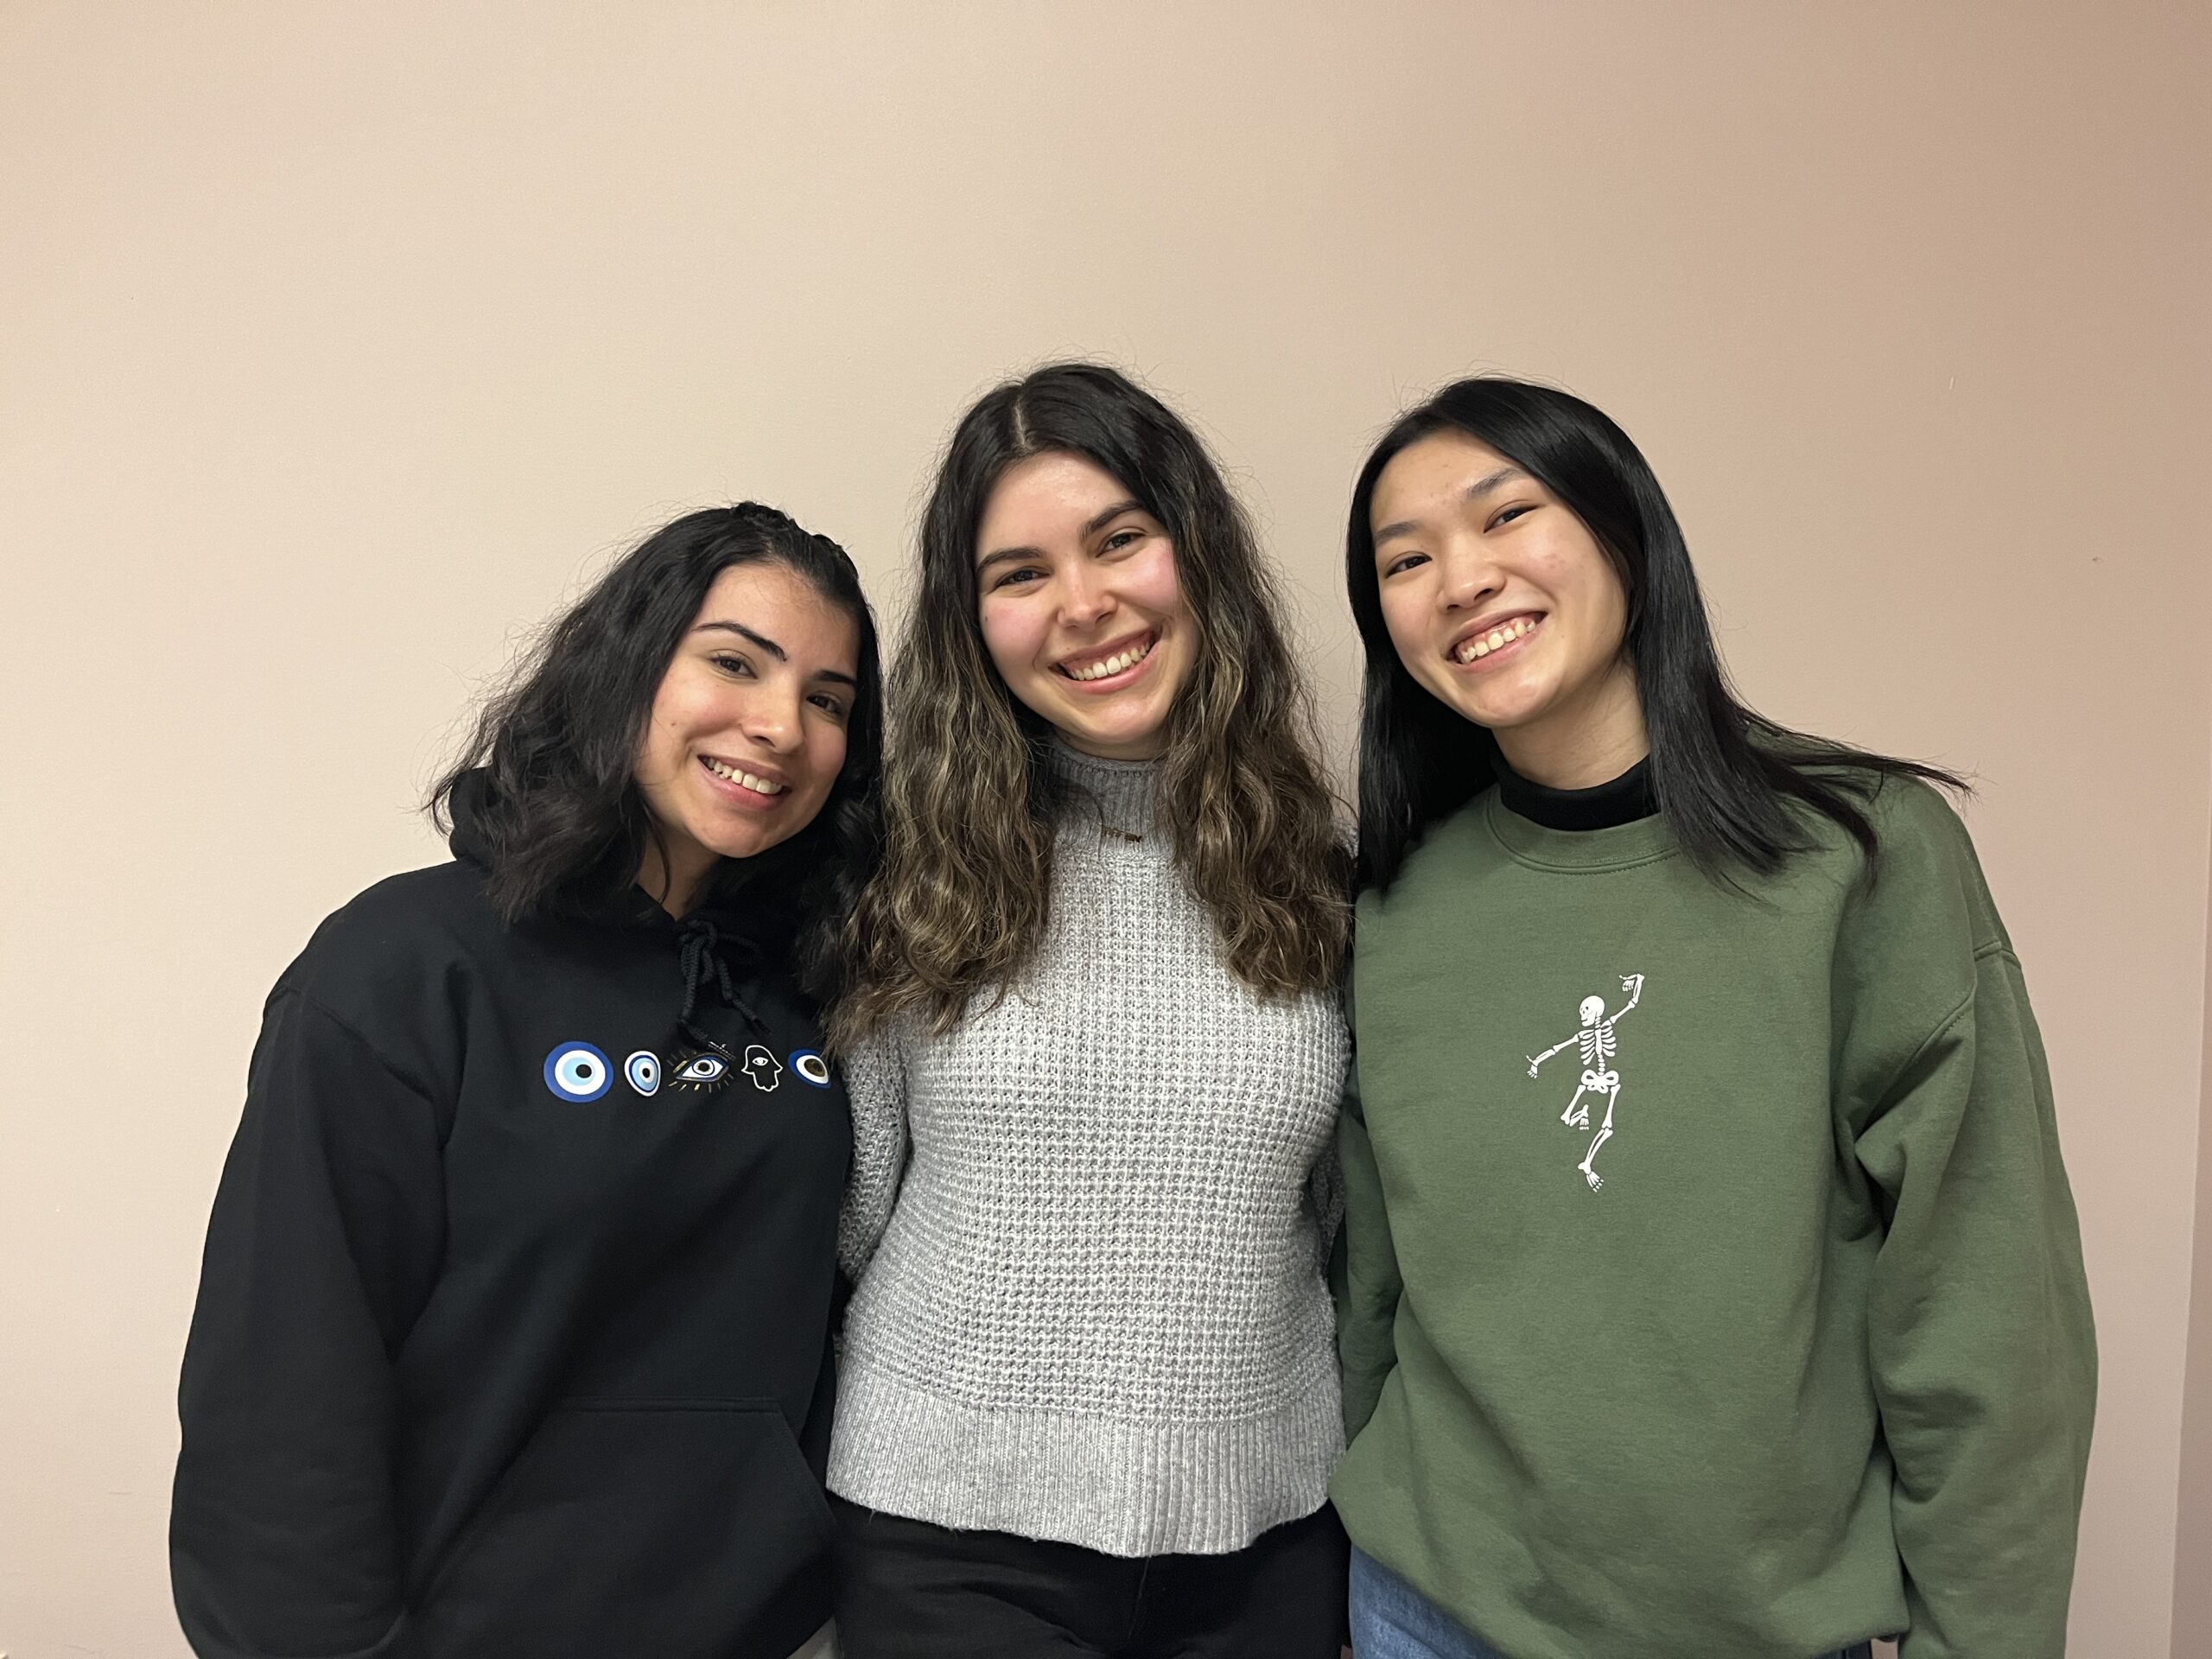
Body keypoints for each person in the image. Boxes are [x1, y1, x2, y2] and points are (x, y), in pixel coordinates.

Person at [1331, 377, 2097, 1659]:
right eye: (1404, 560)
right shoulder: (1400, 905)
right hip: (1426, 1610)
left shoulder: (1860, 856)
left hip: (1756, 1629)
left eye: (1505, 514)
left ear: (1627, 533)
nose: (1459, 579)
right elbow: (1373, 1290)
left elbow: (1987, 1309)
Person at [170, 503, 881, 1659]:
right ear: (631, 666)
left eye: (828, 700)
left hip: (773, 1631)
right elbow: (282, 1391)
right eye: (735, 664)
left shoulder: (821, 982)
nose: (779, 726)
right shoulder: (404, 968)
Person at [828, 362, 1352, 1657]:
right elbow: (850, 1210)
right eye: (1020, 574)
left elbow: (1345, 1217)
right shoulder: (911, 877)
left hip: (1264, 1541)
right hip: (948, 1542)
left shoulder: (1324, 884)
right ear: (972, 623)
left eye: (1121, 540)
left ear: (1198, 557)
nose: (1085, 604)